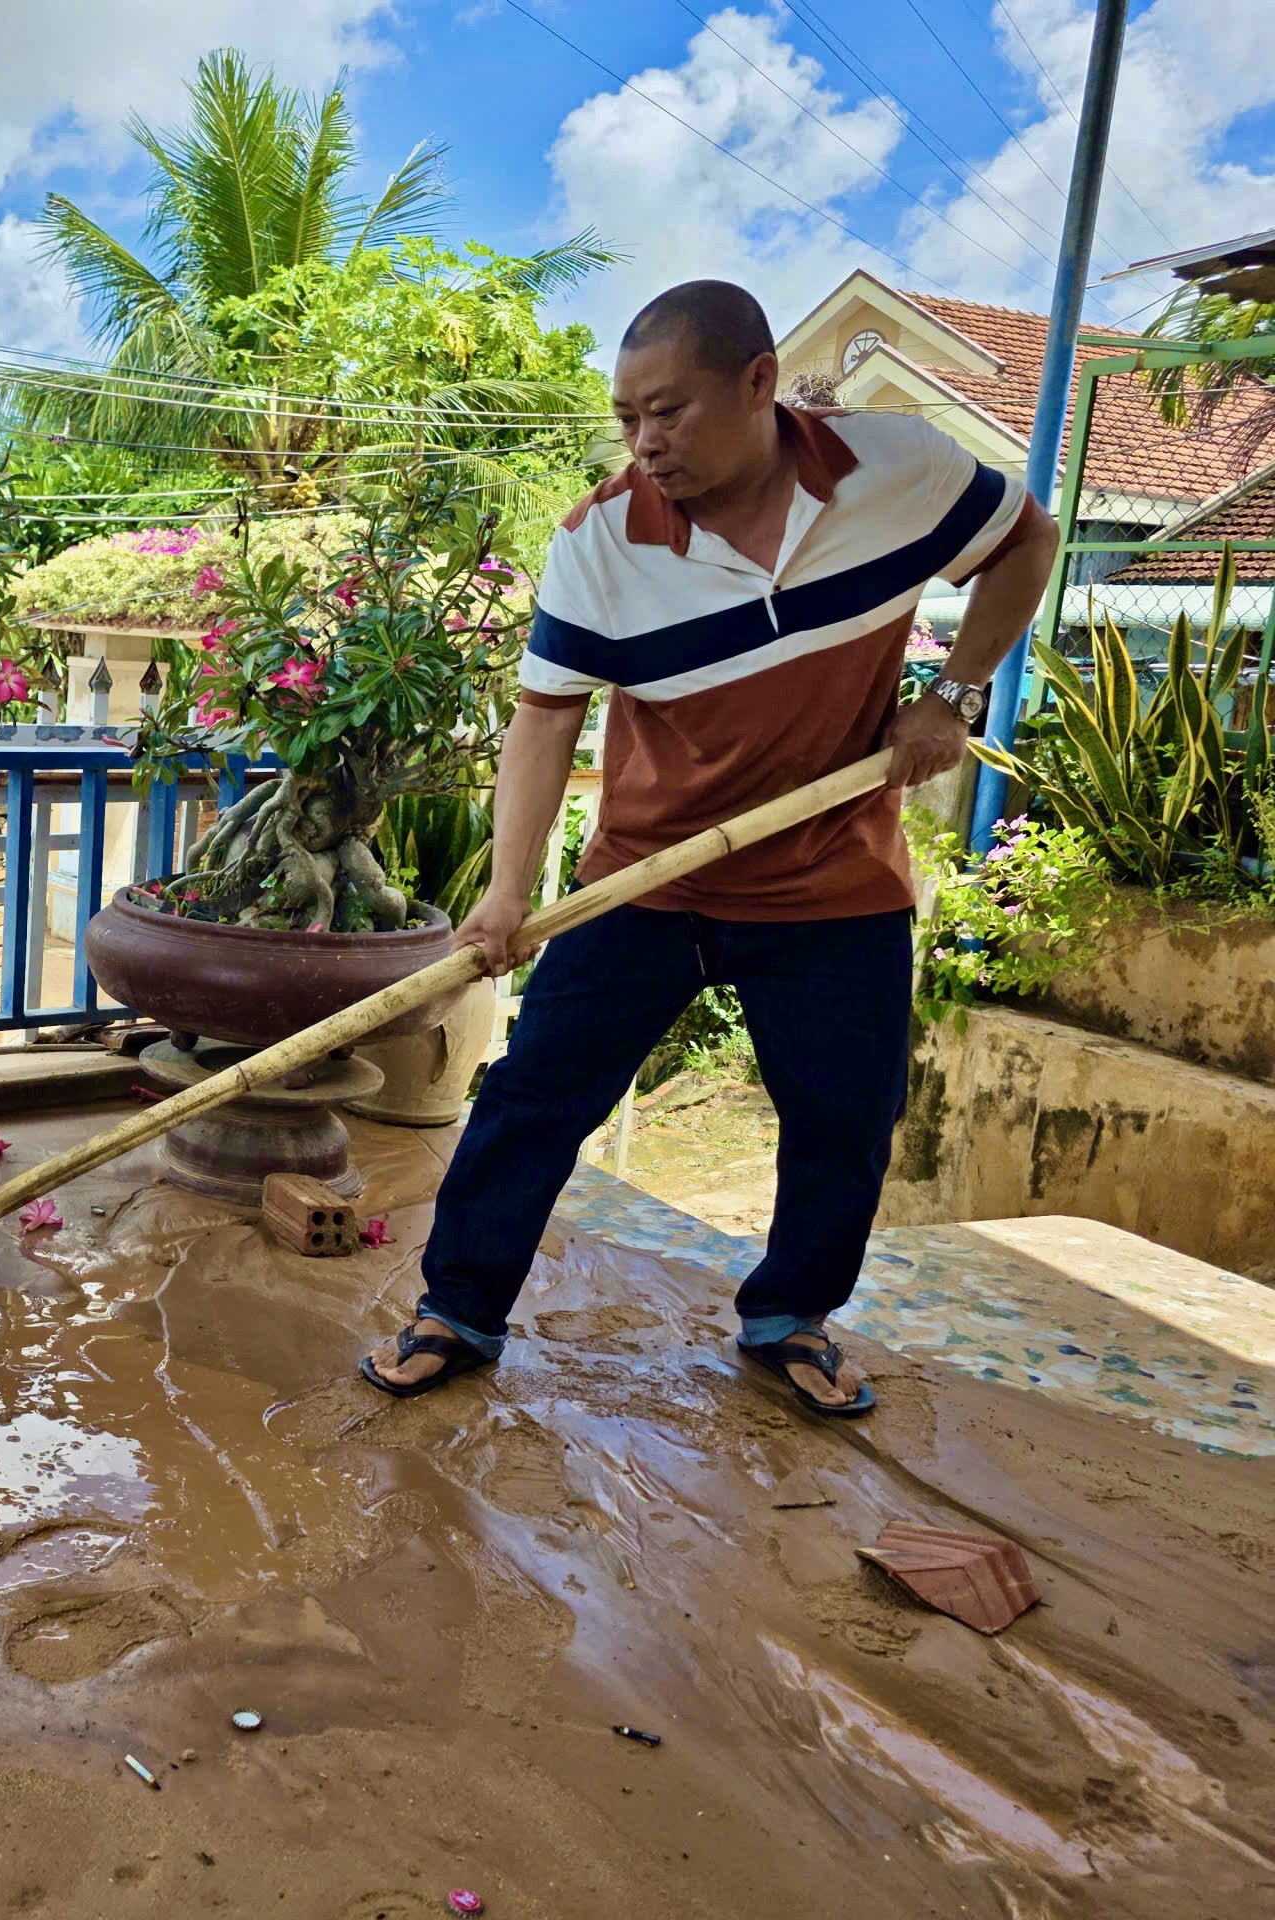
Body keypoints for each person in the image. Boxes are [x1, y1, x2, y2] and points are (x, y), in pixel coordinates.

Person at [359, 279, 1058, 1418]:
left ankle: (790, 1318)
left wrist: (953, 694)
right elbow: (544, 721)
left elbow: (1026, 540)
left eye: (668, 411)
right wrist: (502, 895)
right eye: (627, 417)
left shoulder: (903, 470)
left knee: (845, 1112)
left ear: (758, 382)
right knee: (532, 1099)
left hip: (835, 877)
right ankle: (459, 1309)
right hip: (647, 880)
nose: (644, 443)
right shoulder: (600, 541)